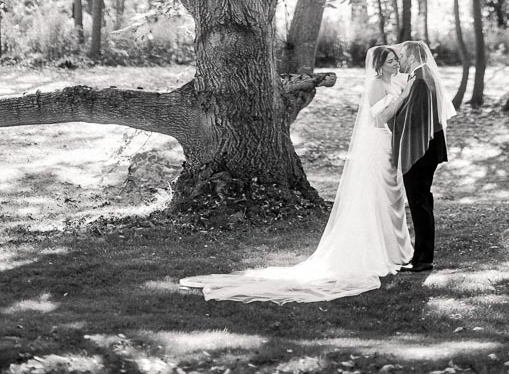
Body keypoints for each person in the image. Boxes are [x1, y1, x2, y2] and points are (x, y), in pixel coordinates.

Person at [179, 45, 413, 303]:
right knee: (374, 196)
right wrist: (402, 99)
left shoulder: (393, 82)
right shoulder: (376, 85)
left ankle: (392, 251)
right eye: (391, 60)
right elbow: (379, 119)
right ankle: (371, 253)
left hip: (387, 144)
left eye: (395, 60)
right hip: (376, 146)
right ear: (379, 65)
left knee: (387, 197)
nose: (395, 64)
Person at [389, 39, 454, 273]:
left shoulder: (419, 80)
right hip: (428, 147)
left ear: (413, 56)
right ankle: (421, 257)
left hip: (421, 149)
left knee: (419, 204)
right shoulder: (424, 75)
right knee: (422, 202)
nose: (400, 61)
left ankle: (424, 259)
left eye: (402, 57)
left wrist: (387, 114)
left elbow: (413, 118)